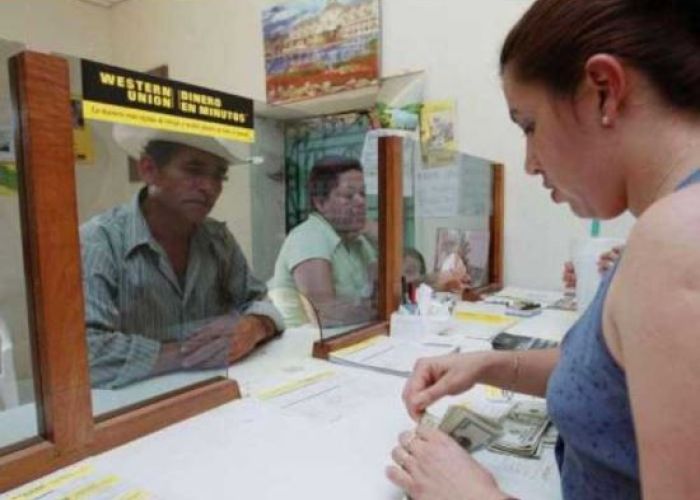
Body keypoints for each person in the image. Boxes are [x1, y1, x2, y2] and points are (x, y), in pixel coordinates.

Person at [387, 1, 700, 499]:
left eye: (528, 125)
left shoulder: (677, 237)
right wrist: (486, 365)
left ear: (604, 91)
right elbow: (617, 371)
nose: (530, 164)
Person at [81, 126, 283, 389]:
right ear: (148, 170)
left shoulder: (217, 238)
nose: (209, 187)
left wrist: (255, 326)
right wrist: (186, 354)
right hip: (129, 409)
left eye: (219, 176)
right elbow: (85, 352)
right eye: (193, 170)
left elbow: (260, 301)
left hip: (218, 395)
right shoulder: (99, 242)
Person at [268, 156, 378, 328]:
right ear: (320, 203)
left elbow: (386, 287)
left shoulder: (359, 240)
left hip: (350, 337)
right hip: (302, 345)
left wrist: (379, 237)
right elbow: (326, 315)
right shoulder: (309, 236)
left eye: (363, 194)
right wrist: (378, 306)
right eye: (348, 195)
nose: (360, 202)